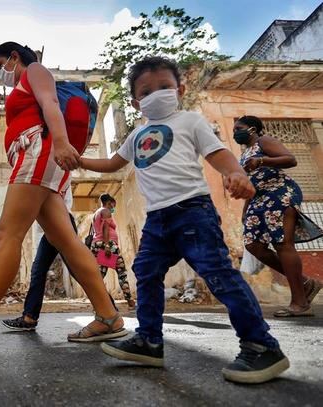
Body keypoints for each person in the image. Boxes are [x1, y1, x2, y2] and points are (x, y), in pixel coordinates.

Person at [78, 56, 289, 384]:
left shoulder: (190, 121)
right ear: (136, 102)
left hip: (193, 211)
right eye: (147, 91)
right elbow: (111, 164)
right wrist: (77, 160)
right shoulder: (137, 135)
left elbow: (218, 153)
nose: (157, 93)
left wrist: (235, 173)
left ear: (180, 89)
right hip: (157, 220)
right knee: (145, 272)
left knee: (218, 275)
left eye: (164, 86)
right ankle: (149, 341)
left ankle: (262, 345)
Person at [0, 41, 127, 348]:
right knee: (68, 243)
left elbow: (50, 104)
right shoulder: (24, 82)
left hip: (38, 150)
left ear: (14, 57)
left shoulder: (33, 70)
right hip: (39, 155)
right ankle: (108, 317)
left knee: (8, 233)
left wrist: (59, 141)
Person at [234, 115, 323, 317]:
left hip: (279, 192)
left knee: (283, 243)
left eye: (239, 128)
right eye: (233, 130)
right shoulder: (245, 153)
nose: (235, 132)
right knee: (253, 245)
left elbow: (290, 159)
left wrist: (262, 160)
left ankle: (300, 303)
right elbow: (252, 183)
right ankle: (306, 283)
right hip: (258, 199)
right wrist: (245, 210)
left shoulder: (263, 142)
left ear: (253, 129)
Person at [2, 189, 119, 332]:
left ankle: (110, 311)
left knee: (78, 271)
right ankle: (29, 318)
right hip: (50, 225)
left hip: (60, 221)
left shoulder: (55, 171)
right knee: (38, 269)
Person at [91, 193, 135, 309]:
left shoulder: (96, 213)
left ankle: (102, 302)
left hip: (97, 244)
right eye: (113, 205)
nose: (113, 208)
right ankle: (130, 300)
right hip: (108, 245)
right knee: (121, 272)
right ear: (109, 202)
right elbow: (105, 228)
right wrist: (106, 245)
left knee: (100, 276)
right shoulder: (106, 211)